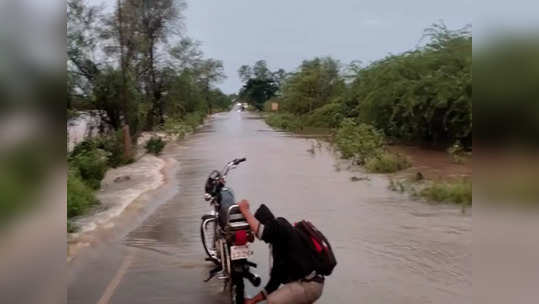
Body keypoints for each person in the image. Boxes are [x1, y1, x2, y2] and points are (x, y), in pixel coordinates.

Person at [238, 199, 324, 304]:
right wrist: (253, 300)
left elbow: (261, 232)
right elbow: (274, 282)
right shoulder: (279, 245)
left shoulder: (280, 226)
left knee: (273, 301)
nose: (255, 236)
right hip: (308, 284)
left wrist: (245, 210)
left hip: (310, 285)